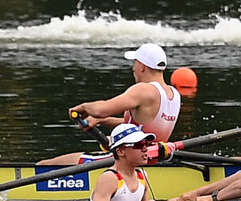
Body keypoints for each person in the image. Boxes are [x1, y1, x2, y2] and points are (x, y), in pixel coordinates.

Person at [41, 42, 183, 168]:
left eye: (135, 63)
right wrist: (102, 121)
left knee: (45, 165)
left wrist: (84, 108)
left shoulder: (144, 90)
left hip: (128, 161)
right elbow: (140, 126)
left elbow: (100, 110)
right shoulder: (173, 94)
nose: (133, 69)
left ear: (143, 66)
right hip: (153, 158)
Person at [82, 124, 196, 201]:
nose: (145, 149)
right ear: (120, 151)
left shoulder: (142, 175)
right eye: (138, 145)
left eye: (146, 144)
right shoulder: (109, 178)